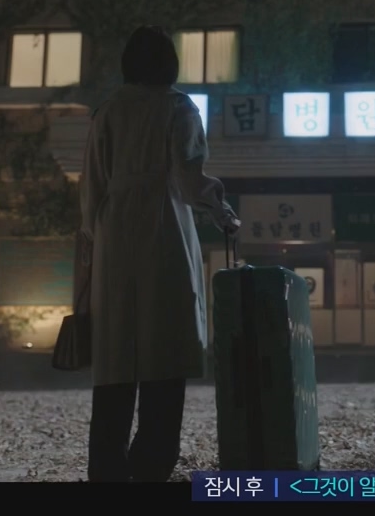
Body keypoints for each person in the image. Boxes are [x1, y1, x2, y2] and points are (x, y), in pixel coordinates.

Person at [80, 25, 239, 483]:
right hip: (164, 228)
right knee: (165, 354)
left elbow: (90, 188)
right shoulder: (178, 107)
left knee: (116, 361)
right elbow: (189, 180)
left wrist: (96, 237)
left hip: (113, 234)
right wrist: (222, 212)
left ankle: (106, 471)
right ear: (170, 64)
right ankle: (150, 466)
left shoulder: (107, 110)